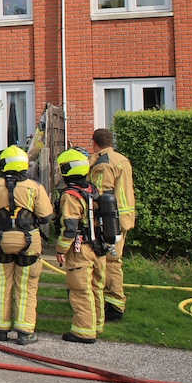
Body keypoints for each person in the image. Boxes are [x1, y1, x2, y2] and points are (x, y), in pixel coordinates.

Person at [0, 145, 53, 345]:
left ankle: (1, 329)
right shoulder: (35, 188)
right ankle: (25, 332)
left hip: (0, 241)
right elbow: (46, 217)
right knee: (26, 286)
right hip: (28, 242)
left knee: (1, 284)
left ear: (4, 164)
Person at [55, 148, 108, 343]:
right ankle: (97, 324)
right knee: (96, 287)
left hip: (81, 250)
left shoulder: (71, 195)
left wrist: (61, 250)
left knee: (80, 289)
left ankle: (83, 331)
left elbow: (70, 228)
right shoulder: (93, 190)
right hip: (98, 248)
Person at [89, 128, 135, 322]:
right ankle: (112, 302)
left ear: (94, 143)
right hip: (123, 217)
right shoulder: (122, 159)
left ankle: (113, 306)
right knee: (114, 260)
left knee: (109, 262)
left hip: (110, 221)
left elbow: (99, 193)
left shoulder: (104, 163)